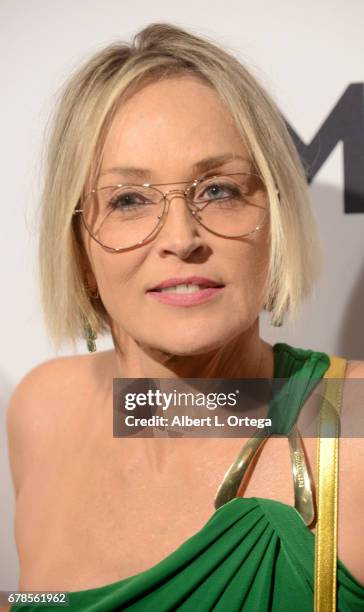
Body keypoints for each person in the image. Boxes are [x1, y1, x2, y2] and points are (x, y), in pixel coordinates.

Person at [6, 22, 364, 611]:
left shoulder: (348, 426)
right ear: (78, 244)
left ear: (274, 218)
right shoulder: (44, 411)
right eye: (128, 199)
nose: (181, 237)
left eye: (218, 190)